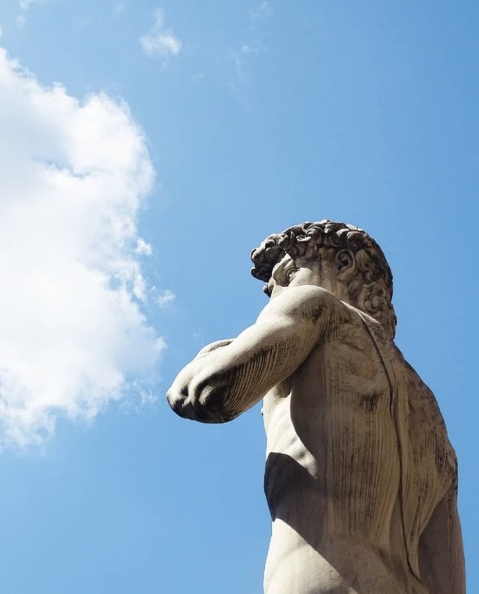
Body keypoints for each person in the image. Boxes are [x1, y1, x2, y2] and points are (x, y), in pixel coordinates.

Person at [167, 220, 464, 594]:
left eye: (288, 274)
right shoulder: (428, 409)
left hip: (324, 578)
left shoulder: (316, 306)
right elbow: (451, 580)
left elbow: (208, 393)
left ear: (344, 265)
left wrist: (209, 355)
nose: (275, 294)